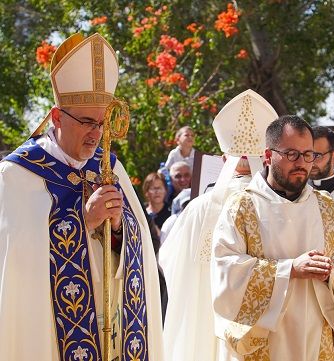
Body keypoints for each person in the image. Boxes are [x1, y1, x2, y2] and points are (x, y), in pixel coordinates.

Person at [0, 33, 163, 360]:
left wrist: (118, 227)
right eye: (87, 122)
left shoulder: (109, 168)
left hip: (111, 333)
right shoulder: (16, 176)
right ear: (57, 117)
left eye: (102, 123)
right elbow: (13, 262)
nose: (97, 134)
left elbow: (140, 246)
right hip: (49, 336)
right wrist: (82, 220)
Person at [212, 115, 334, 361]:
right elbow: (225, 267)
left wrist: (333, 272)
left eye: (309, 155)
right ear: (268, 155)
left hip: (317, 335)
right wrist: (290, 269)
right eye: (292, 154)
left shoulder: (328, 207)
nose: (302, 163)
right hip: (265, 338)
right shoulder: (242, 206)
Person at [159, 89, 276, 361]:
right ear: (267, 158)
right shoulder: (278, 208)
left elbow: (168, 259)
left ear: (224, 160)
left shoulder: (198, 207)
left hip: (205, 325)